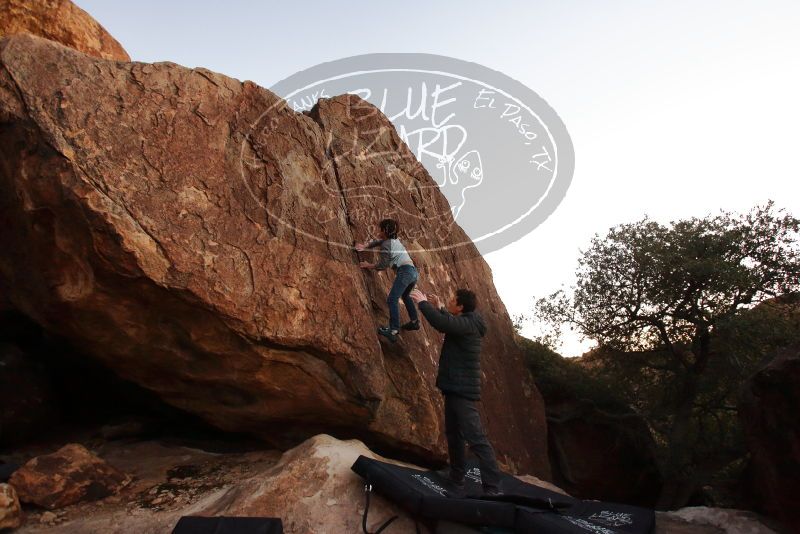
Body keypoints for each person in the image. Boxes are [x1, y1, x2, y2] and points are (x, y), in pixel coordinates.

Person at [410, 287, 503, 495]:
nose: (449, 301)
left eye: (453, 300)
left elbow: (444, 324)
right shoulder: (468, 321)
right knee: (454, 435)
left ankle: (493, 488)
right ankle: (456, 477)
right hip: (454, 387)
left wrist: (423, 303)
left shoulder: (469, 323)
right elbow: (452, 323)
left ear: (460, 307)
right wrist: (441, 307)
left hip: (462, 390)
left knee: (475, 438)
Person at [356, 218, 420, 343]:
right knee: (405, 296)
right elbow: (379, 242)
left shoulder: (387, 244)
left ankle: (393, 330)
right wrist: (366, 246)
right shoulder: (393, 241)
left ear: (384, 230)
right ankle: (415, 321)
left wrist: (368, 265)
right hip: (413, 272)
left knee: (392, 299)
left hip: (405, 271)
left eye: (380, 228)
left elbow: (383, 265)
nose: (378, 230)